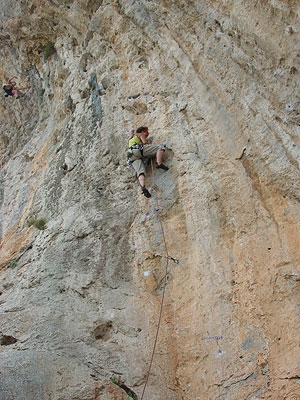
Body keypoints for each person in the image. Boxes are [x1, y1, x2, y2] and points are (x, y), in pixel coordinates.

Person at [128, 126, 169, 198]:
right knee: (160, 147)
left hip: (131, 156)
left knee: (141, 172)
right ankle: (159, 163)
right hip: (138, 150)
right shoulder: (141, 134)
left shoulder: (133, 139)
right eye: (146, 131)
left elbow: (131, 137)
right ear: (142, 131)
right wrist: (147, 144)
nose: (147, 133)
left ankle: (143, 187)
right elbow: (145, 143)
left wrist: (131, 133)